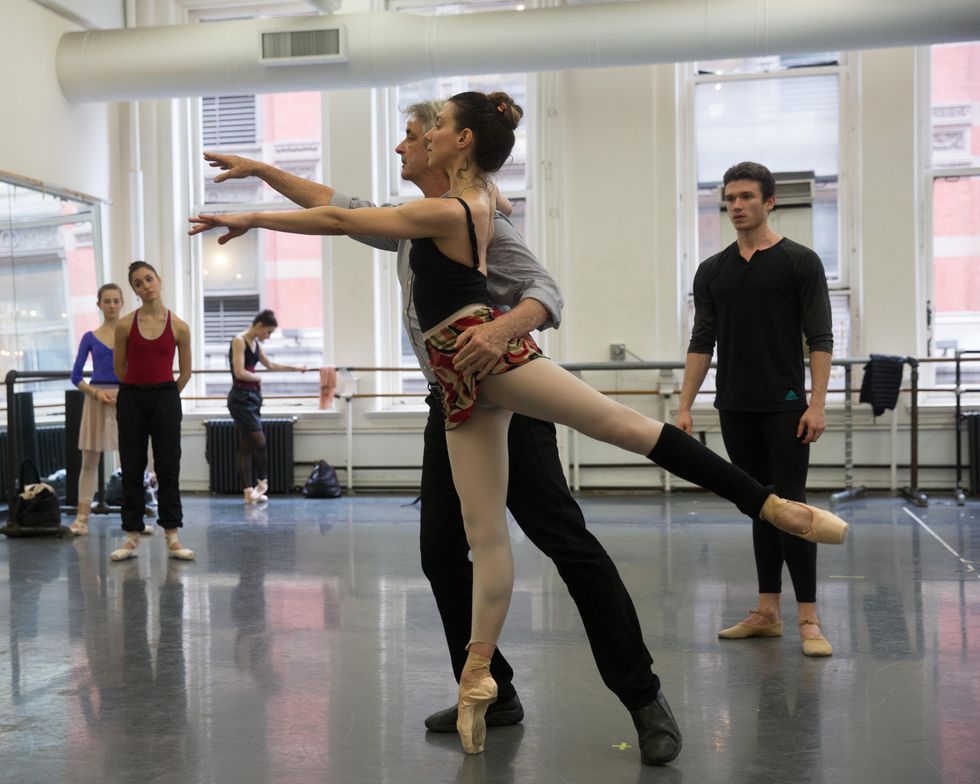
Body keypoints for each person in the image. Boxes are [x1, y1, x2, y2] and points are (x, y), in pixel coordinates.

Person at [190, 92, 848, 757]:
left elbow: (547, 293)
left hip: (514, 396)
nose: (400, 146)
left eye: (412, 134)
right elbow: (331, 202)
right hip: (449, 400)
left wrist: (499, 331)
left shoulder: (483, 220)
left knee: (570, 546)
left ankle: (643, 697)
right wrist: (263, 172)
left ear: (445, 144)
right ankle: (491, 689)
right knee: (443, 552)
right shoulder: (410, 219)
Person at [676, 161, 836, 657]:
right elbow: (703, 341)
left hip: (787, 405)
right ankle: (767, 612)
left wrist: (817, 404)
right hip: (735, 406)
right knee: (760, 506)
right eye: (730, 198)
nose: (737, 206)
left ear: (769, 202)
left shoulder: (800, 262)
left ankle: (808, 618)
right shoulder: (713, 272)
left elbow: (821, 338)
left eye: (747, 197)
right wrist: (684, 406)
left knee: (792, 505)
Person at [110, 261, 194, 562]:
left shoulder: (179, 326)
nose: (146, 286)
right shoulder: (124, 325)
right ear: (134, 290)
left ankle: (172, 534)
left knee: (168, 466)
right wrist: (139, 390)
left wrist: (167, 396)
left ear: (159, 280)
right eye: (138, 283)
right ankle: (131, 535)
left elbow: (185, 371)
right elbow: (120, 368)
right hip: (132, 397)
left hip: (165, 396)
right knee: (132, 467)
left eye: (149, 279)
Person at [68, 283, 137, 535]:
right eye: (106, 301)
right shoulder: (89, 337)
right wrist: (97, 393)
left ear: (122, 303)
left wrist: (127, 394)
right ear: (99, 305)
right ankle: (81, 518)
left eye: (115, 301)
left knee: (131, 460)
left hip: (126, 400)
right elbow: (75, 376)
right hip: (96, 400)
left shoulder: (131, 335)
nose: (111, 305)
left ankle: (135, 518)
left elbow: (138, 370)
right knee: (89, 460)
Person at [228, 309, 306, 504]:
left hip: (253, 398)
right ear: (260, 325)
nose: (268, 337)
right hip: (241, 399)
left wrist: (296, 369)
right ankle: (262, 483)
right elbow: (239, 372)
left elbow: (270, 365)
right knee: (259, 441)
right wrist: (258, 378)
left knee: (246, 445)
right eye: (268, 332)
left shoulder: (255, 344)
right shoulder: (239, 340)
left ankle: (249, 492)